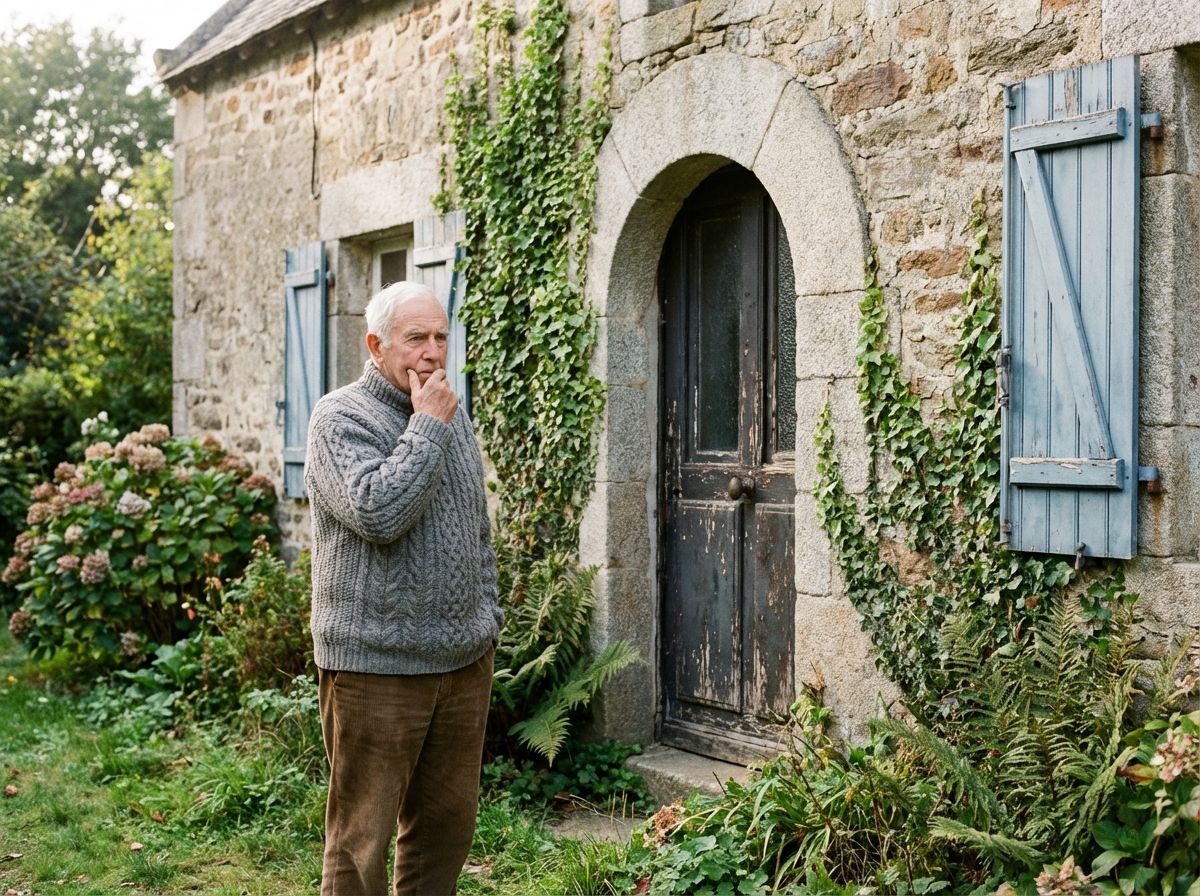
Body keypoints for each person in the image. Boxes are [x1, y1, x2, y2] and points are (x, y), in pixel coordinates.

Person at [304, 280, 502, 896]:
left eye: (441, 337)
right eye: (416, 338)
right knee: (362, 839)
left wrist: (484, 616)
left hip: (462, 662)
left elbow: (474, 524)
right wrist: (427, 427)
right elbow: (378, 514)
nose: (433, 351)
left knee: (446, 828)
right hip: (376, 664)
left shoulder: (443, 410)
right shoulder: (339, 416)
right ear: (376, 344)